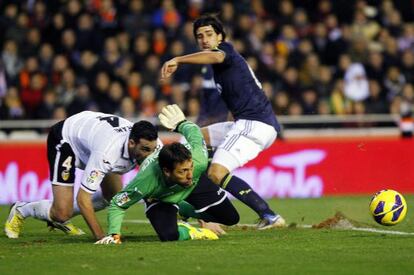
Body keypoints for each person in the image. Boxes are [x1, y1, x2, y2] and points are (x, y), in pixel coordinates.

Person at [160, 15, 286, 229]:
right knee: (193, 138)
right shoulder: (223, 71)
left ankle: (270, 215)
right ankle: (195, 202)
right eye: (199, 36)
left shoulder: (225, 51)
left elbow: (216, 57)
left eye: (209, 34)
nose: (204, 39)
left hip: (254, 123)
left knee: (217, 172)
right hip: (246, 122)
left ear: (220, 36)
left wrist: (178, 59)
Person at [95, 105, 239, 244]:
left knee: (231, 218)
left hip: (194, 186)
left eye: (190, 168)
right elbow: (117, 204)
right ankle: (192, 232)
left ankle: (182, 211)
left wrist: (181, 124)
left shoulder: (198, 161)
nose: (189, 175)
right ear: (166, 171)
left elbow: (194, 132)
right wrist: (114, 235)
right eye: (182, 171)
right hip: (160, 198)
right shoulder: (145, 181)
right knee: (168, 235)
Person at [4, 111, 159, 240]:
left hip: (92, 139)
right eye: (145, 150)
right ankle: (22, 209)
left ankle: (61, 219)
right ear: (131, 143)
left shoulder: (152, 145)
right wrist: (101, 236)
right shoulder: (108, 153)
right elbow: (83, 199)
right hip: (67, 140)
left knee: (114, 197)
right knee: (61, 212)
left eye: (152, 150)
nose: (150, 155)